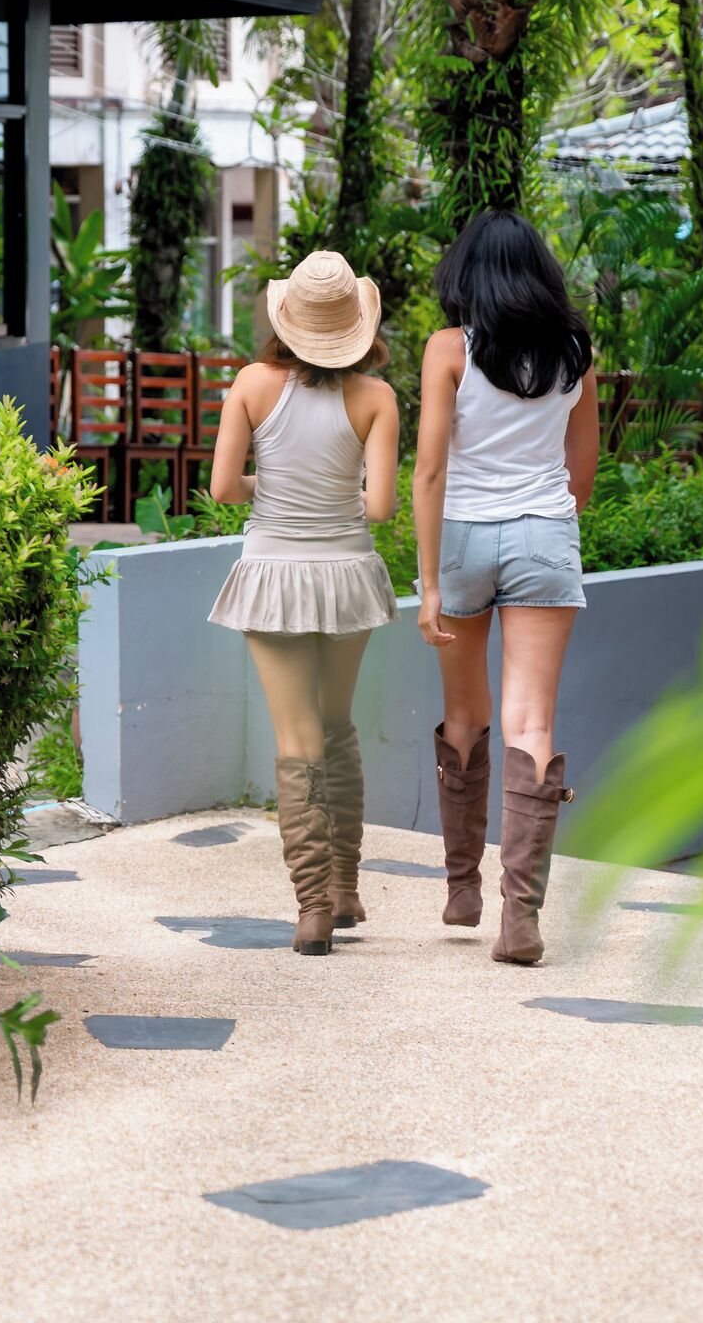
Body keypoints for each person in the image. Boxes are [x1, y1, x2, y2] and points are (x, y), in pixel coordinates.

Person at [202, 247, 402, 955]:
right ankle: (347, 888)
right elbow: (379, 507)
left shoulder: (253, 384)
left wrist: (273, 488)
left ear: (287, 322)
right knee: (338, 727)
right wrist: (332, 495)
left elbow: (226, 488)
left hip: (273, 573)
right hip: (347, 571)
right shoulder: (377, 399)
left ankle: (313, 908)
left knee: (297, 743)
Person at [414, 209, 598, 965]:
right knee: (532, 720)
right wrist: (546, 524)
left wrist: (427, 584)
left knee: (466, 709)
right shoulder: (577, 351)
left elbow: (428, 471)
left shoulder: (447, 350)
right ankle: (519, 919)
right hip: (545, 534)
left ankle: (462, 887)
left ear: (465, 274)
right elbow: (583, 470)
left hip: (462, 536)